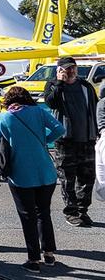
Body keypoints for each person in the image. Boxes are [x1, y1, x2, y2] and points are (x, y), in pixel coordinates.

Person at [0, 86, 65, 271]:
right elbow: (60, 129)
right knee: (44, 213)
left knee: (27, 216)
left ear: (8, 101)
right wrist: (43, 139)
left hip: (21, 174)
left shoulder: (2, 117)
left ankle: (33, 260)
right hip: (46, 173)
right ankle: (49, 254)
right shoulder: (39, 112)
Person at [42, 56, 100, 226]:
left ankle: (83, 210)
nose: (71, 71)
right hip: (66, 141)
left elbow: (94, 108)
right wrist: (59, 83)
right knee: (68, 178)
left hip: (87, 139)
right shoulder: (53, 85)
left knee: (87, 177)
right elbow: (50, 102)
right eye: (66, 68)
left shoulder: (85, 86)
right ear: (59, 70)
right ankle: (71, 211)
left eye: (72, 68)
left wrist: (95, 131)